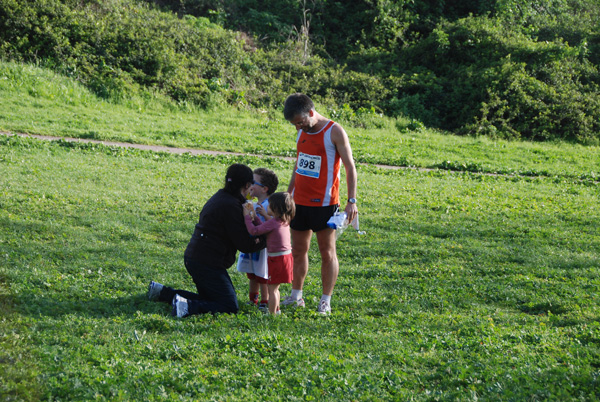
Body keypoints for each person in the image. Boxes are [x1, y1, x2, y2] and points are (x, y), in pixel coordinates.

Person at [147, 163, 266, 317]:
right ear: (247, 185)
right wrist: (265, 238)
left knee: (213, 298)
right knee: (229, 305)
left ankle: (162, 292)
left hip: (196, 257)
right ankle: (187, 307)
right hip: (207, 263)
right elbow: (244, 244)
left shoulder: (221, 197)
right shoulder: (232, 206)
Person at [281, 93, 358, 315]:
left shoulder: (334, 131)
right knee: (298, 251)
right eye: (294, 124)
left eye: (300, 122)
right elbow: (299, 164)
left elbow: (350, 167)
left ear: (311, 113)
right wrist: (288, 194)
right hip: (299, 203)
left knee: (327, 253)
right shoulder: (301, 132)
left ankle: (326, 300)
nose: (297, 128)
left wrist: (351, 200)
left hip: (325, 204)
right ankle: (296, 296)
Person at [243, 192, 295, 315]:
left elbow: (254, 231)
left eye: (270, 205)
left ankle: (272, 315)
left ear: (276, 208)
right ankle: (276, 311)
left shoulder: (273, 222)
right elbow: (265, 227)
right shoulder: (284, 221)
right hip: (286, 258)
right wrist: (255, 217)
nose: (267, 207)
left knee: (272, 289)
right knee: (275, 288)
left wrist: (247, 217)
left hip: (276, 260)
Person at [236, 168, 279, 311]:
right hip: (252, 243)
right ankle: (252, 299)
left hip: (263, 247)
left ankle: (264, 302)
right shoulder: (252, 203)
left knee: (262, 275)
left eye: (253, 182)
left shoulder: (270, 205)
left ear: (264, 189)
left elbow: (273, 224)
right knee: (252, 274)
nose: (250, 185)